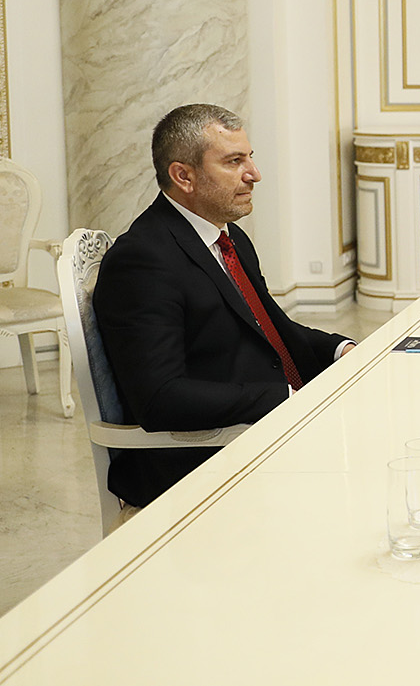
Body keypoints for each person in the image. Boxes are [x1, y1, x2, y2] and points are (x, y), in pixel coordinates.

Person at [94, 104, 354, 509]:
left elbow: (271, 329)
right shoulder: (143, 259)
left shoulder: (228, 238)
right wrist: (283, 398)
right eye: (234, 162)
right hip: (200, 461)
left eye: (250, 157)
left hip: (257, 430)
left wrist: (340, 350)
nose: (254, 174)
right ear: (184, 176)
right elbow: (160, 398)